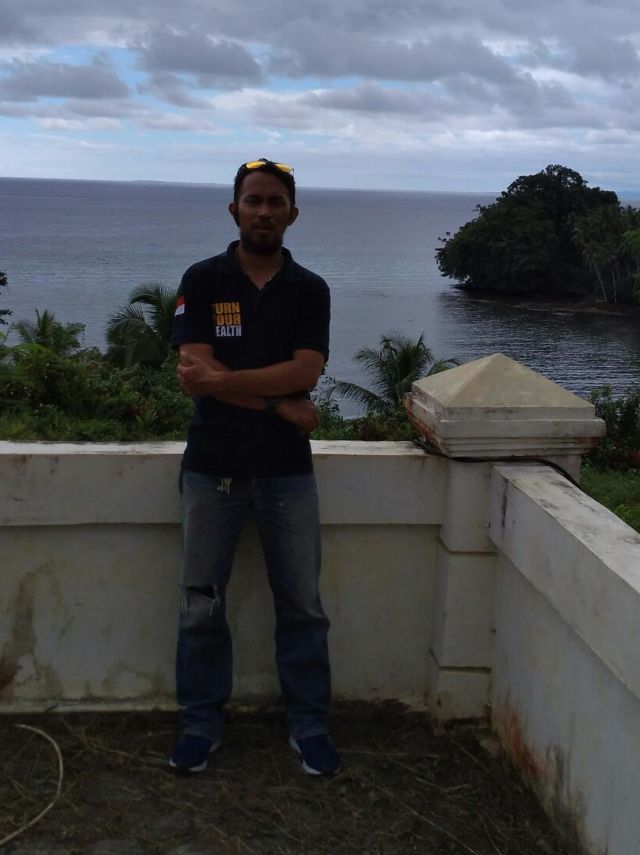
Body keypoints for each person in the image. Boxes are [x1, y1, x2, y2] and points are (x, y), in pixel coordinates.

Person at [169, 158, 338, 776]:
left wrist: (225, 382)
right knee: (200, 606)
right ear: (234, 209)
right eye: (253, 200)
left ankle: (310, 724)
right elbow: (194, 372)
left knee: (302, 607)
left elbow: (306, 370)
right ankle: (199, 722)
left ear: (292, 213)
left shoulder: (309, 289)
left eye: (274, 202)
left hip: (286, 473)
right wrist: (277, 403)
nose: (263, 211)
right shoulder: (203, 279)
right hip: (211, 468)